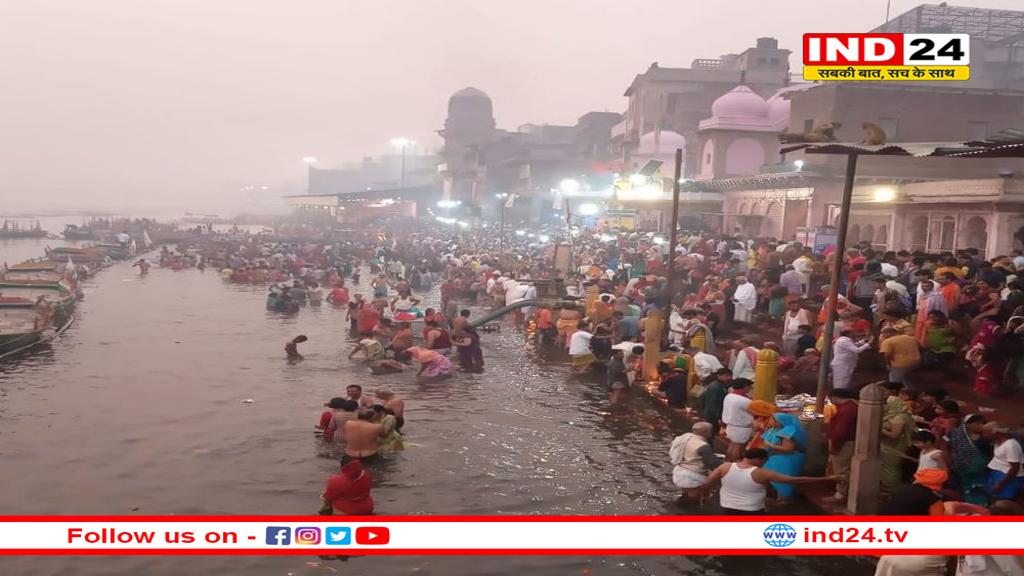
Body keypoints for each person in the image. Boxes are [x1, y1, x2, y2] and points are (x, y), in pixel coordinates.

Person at [700, 448, 838, 515]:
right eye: (765, 461)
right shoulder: (760, 473)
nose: (764, 463)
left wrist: (705, 495)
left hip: (727, 509)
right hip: (752, 511)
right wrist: (827, 478)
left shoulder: (725, 467)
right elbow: (795, 479)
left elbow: (707, 483)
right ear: (758, 459)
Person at [746, 400, 807, 504]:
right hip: (774, 457)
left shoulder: (787, 431)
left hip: (785, 459)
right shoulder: (774, 429)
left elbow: (789, 449)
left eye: (772, 420)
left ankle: (783, 498)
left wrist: (770, 445)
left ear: (779, 421)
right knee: (770, 477)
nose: (770, 421)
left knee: (782, 480)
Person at [823, 388, 859, 504]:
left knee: (841, 469)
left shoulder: (848, 409)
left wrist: (834, 446)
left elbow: (841, 431)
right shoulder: (851, 407)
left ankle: (840, 495)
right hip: (845, 442)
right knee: (843, 468)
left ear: (835, 397)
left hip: (844, 443)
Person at [669, 422, 721, 500]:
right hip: (693, 476)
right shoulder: (703, 446)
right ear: (707, 433)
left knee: (686, 494)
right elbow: (711, 463)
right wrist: (727, 463)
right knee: (694, 498)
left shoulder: (685, 437)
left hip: (679, 472)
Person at [949, 414, 992, 505]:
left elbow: (990, 455)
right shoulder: (957, 435)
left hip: (979, 473)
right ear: (967, 424)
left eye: (983, 423)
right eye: (978, 423)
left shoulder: (985, 439)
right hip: (960, 471)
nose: (981, 426)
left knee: (978, 492)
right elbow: (946, 443)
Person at [880, 395, 915, 493]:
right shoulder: (893, 414)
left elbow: (894, 435)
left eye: (887, 404)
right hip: (888, 446)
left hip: (894, 447)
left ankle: (891, 488)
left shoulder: (899, 417)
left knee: (891, 469)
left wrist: (880, 429)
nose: (885, 405)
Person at [986, 423, 1024, 503]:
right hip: (998, 476)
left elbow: (1015, 468)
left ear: (995, 433)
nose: (985, 436)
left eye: (986, 433)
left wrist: (1001, 484)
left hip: (1008, 479)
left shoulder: (1011, 445)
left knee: (1004, 504)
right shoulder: (997, 442)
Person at [722, 378, 754, 462]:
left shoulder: (729, 396)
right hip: (742, 427)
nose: (750, 388)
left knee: (733, 445)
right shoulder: (744, 400)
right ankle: (734, 465)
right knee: (738, 447)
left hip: (731, 425)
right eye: (749, 386)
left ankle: (728, 461)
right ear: (744, 387)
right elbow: (756, 411)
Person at [700, 368, 732, 433]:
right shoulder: (715, 387)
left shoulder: (722, 385)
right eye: (726, 376)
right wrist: (718, 417)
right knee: (711, 432)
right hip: (712, 415)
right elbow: (713, 403)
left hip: (712, 413)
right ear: (719, 376)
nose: (729, 378)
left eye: (730, 376)